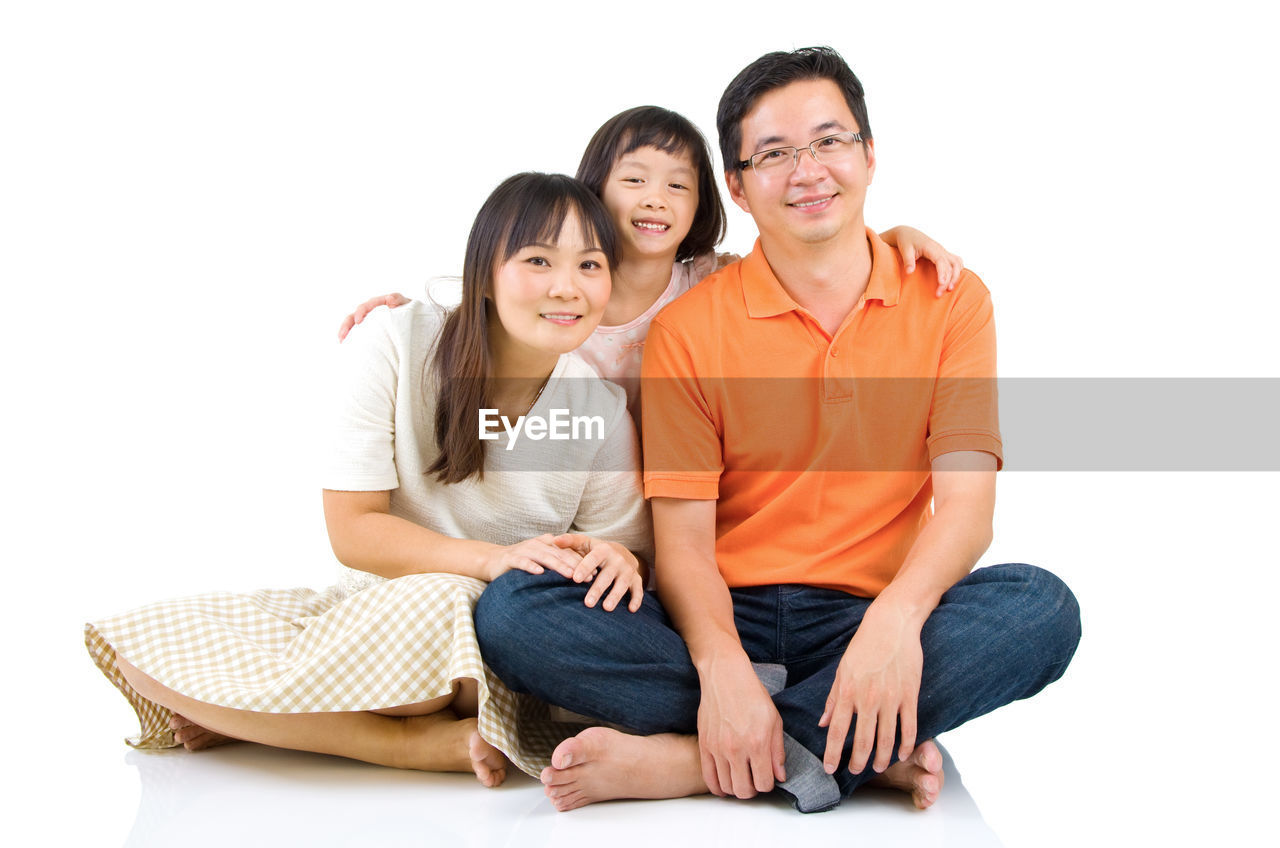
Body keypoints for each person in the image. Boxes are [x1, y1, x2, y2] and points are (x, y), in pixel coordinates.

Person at [473, 47, 1081, 813]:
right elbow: (685, 540)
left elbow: (966, 508)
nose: (808, 170)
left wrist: (894, 626)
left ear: (869, 154)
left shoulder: (952, 299)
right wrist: (722, 661)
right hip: (719, 613)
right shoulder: (690, 326)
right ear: (737, 185)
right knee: (515, 610)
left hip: (873, 609)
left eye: (830, 141)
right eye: (774, 154)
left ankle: (696, 762)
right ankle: (846, 746)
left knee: (1041, 608)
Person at [84, 172, 653, 787]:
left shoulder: (598, 411)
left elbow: (624, 556)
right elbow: (352, 530)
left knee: (450, 606)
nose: (566, 288)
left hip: (483, 642)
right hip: (369, 620)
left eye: (589, 265)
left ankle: (266, 717)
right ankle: (402, 742)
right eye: (538, 260)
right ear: (485, 273)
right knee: (135, 652)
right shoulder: (396, 341)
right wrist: (491, 559)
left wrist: (617, 557)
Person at [339, 106, 964, 415]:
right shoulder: (562, 289)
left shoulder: (710, 280)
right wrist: (405, 313)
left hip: (683, 501)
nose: (654, 200)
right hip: (572, 493)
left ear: (707, 203)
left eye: (677, 186)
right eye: (634, 179)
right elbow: (489, 302)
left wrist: (892, 236)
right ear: (595, 190)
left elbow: (810, 258)